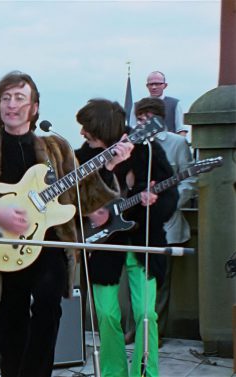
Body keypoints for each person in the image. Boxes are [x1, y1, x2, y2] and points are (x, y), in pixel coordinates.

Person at [0, 72, 133, 377]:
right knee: (10, 323)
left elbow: (81, 201)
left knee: (48, 309)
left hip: (48, 246)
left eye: (20, 98)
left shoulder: (56, 150)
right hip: (1, 247)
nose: (12, 105)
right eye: (6, 98)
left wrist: (108, 168)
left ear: (35, 107)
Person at [76, 99, 178, 377]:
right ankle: (113, 373)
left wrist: (153, 201)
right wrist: (92, 208)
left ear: (105, 129)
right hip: (104, 243)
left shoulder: (149, 151)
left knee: (147, 314)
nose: (83, 133)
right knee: (107, 314)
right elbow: (75, 197)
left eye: (88, 128)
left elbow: (171, 196)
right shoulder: (84, 156)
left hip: (144, 242)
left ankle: (145, 373)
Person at [124, 97, 196, 344]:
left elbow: (190, 180)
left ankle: (155, 332)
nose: (142, 123)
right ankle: (132, 329)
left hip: (167, 226)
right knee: (134, 281)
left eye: (147, 118)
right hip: (135, 225)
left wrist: (170, 203)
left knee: (160, 282)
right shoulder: (131, 146)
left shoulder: (176, 144)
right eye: (140, 118)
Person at [129, 71, 190, 137]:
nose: (154, 87)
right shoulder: (137, 105)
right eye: (151, 84)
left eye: (157, 84)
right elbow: (132, 130)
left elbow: (181, 130)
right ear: (147, 86)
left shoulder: (175, 104)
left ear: (165, 85)